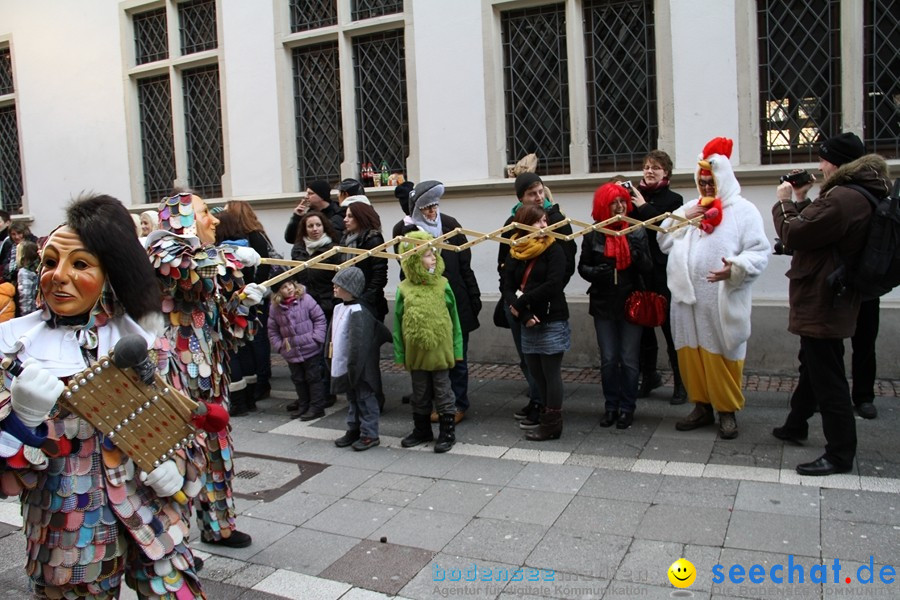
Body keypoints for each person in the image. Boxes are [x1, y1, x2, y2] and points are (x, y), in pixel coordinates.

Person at [0, 194, 205, 598]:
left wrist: (176, 464)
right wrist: (18, 422)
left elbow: (187, 422)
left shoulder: (145, 341)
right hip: (67, 530)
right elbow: (7, 479)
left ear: (109, 273)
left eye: (79, 264)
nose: (58, 276)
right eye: (49, 262)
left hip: (152, 515)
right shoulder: (12, 345)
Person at [147, 191, 267, 548]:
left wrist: (244, 303)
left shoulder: (210, 264)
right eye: (204, 213)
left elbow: (229, 330)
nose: (214, 220)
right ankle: (175, 540)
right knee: (178, 461)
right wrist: (231, 255)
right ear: (182, 220)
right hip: (174, 382)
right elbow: (186, 275)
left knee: (219, 453)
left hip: (211, 377)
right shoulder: (162, 253)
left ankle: (219, 527)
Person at [771, 132, 891, 475]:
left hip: (824, 297)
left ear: (837, 163)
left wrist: (784, 202)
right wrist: (803, 199)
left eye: (824, 159)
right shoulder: (855, 194)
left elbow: (794, 233)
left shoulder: (844, 198)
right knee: (815, 364)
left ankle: (840, 453)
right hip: (832, 294)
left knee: (829, 378)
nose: (820, 166)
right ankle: (796, 423)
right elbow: (823, 232)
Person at [658, 137, 770, 440]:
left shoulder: (744, 211)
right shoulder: (691, 208)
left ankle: (727, 411)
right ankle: (701, 406)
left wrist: (735, 268)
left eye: (711, 181)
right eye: (702, 181)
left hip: (720, 298)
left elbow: (760, 251)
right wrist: (682, 219)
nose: (706, 187)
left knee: (722, 352)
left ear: (724, 178)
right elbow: (663, 240)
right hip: (687, 299)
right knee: (690, 354)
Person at [395, 181, 481, 424]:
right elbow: (405, 271)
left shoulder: (451, 225)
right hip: (426, 305)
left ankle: (458, 405)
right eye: (426, 209)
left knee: (458, 357)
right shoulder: (405, 231)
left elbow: (465, 264)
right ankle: (436, 402)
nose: (432, 213)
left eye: (434, 207)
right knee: (431, 357)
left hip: (456, 298)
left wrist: (474, 296)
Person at [498, 173, 576, 429]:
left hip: (548, 309)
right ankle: (537, 404)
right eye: (532, 194)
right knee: (530, 362)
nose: (539, 197)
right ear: (521, 199)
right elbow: (506, 273)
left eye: (541, 191)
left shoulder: (556, 224)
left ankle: (549, 416)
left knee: (549, 369)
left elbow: (560, 273)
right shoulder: (514, 227)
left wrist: (534, 303)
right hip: (520, 309)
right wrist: (518, 305)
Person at [578, 182, 652, 429]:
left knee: (629, 359)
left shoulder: (636, 231)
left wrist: (638, 255)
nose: (620, 207)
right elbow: (583, 268)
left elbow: (648, 268)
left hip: (631, 301)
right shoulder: (593, 233)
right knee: (609, 358)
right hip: (604, 303)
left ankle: (627, 407)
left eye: (623, 201)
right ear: (603, 206)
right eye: (614, 203)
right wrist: (596, 272)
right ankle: (611, 406)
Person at [394, 231, 464, 453]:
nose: (433, 257)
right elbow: (398, 323)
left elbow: (454, 320)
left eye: (433, 253)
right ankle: (421, 429)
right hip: (416, 354)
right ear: (413, 260)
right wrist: (400, 354)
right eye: (426, 255)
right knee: (420, 392)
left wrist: (457, 349)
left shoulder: (443, 284)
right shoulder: (403, 289)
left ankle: (447, 432)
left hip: (440, 353)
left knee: (444, 392)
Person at [630, 150, 686, 403]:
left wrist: (642, 205)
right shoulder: (631, 198)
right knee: (643, 328)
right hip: (639, 270)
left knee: (670, 329)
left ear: (667, 172)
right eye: (646, 167)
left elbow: (664, 228)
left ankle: (681, 382)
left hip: (664, 272)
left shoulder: (675, 200)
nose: (649, 171)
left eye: (656, 167)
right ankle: (649, 376)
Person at [329, 267, 391, 451]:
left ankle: (370, 434)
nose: (333, 287)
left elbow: (359, 344)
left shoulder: (359, 312)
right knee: (353, 398)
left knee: (365, 399)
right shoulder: (339, 308)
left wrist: (355, 367)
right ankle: (354, 429)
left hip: (360, 368)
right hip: (347, 365)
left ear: (350, 289)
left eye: (338, 285)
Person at [226, 200, 276, 404]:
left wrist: (254, 290)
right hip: (246, 295)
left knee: (258, 339)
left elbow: (263, 266)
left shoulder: (254, 236)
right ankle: (256, 379)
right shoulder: (240, 238)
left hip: (255, 296)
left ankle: (262, 381)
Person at [291, 210, 342, 409]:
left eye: (318, 225)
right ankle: (310, 395)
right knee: (306, 351)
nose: (314, 230)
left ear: (324, 227)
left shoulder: (333, 249)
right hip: (303, 309)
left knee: (323, 352)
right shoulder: (298, 249)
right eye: (310, 226)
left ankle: (326, 393)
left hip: (326, 306)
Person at [268, 280, 327, 420]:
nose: (289, 289)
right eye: (284, 287)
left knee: (313, 378)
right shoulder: (275, 308)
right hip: (291, 350)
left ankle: (317, 406)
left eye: (290, 284)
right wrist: (280, 346)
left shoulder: (306, 299)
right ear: (278, 292)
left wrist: (316, 338)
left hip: (309, 347)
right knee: (298, 379)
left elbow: (319, 318)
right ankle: (303, 405)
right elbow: (272, 330)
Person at [283, 180, 346, 252]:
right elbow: (290, 239)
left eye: (310, 193)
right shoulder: (308, 216)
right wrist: (296, 217)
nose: (306, 197)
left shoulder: (338, 214)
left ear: (322, 196)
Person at [850, 298, 879, 419]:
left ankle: (864, 397)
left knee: (866, 343)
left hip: (867, 291)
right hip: (834, 288)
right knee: (829, 343)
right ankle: (826, 395)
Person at [15, 240, 39, 316]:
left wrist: (25, 315)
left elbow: (25, 296)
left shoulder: (24, 272)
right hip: (40, 310)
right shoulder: (38, 268)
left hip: (31, 313)